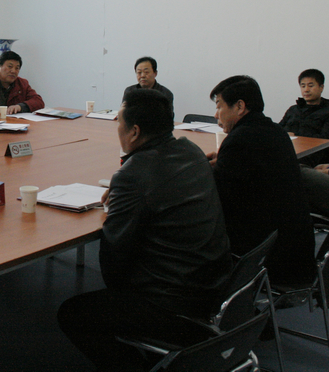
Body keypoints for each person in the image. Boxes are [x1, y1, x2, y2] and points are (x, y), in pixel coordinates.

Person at [58, 89, 232, 372]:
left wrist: (123, 203)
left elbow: (113, 263)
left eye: (119, 123)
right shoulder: (190, 149)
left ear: (135, 131)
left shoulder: (134, 175)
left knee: (73, 314)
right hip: (216, 283)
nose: (118, 128)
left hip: (175, 304)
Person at [208, 75, 315, 285]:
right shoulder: (275, 131)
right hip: (297, 248)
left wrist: (202, 169)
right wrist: (223, 163)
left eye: (219, 106)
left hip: (269, 256)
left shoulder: (239, 140)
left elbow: (217, 198)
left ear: (240, 106)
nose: (216, 114)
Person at [279, 68, 329, 139]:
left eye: (310, 86)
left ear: (321, 87)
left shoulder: (326, 111)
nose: (306, 90)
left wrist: (296, 136)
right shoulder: (293, 109)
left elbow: (325, 138)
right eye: (303, 86)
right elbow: (278, 130)